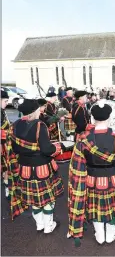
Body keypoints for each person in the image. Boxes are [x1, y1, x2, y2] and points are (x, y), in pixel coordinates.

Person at [67, 100, 115, 247]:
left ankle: (100, 235)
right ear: (109, 118)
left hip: (91, 179)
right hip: (112, 178)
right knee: (112, 208)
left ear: (93, 118)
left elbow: (79, 162)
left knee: (95, 208)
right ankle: (110, 234)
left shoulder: (84, 138)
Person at [6, 99, 64, 233]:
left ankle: (39, 224)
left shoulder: (14, 126)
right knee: (47, 199)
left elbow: (14, 149)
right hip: (42, 168)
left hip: (24, 168)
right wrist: (57, 147)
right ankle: (48, 226)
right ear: (35, 111)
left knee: (33, 199)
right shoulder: (40, 125)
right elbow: (46, 150)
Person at [1, 89, 10, 198]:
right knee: (7, 166)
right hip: (2, 142)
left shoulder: (2, 111)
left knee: (6, 166)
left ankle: (7, 185)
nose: (7, 104)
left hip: (4, 141)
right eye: (5, 101)